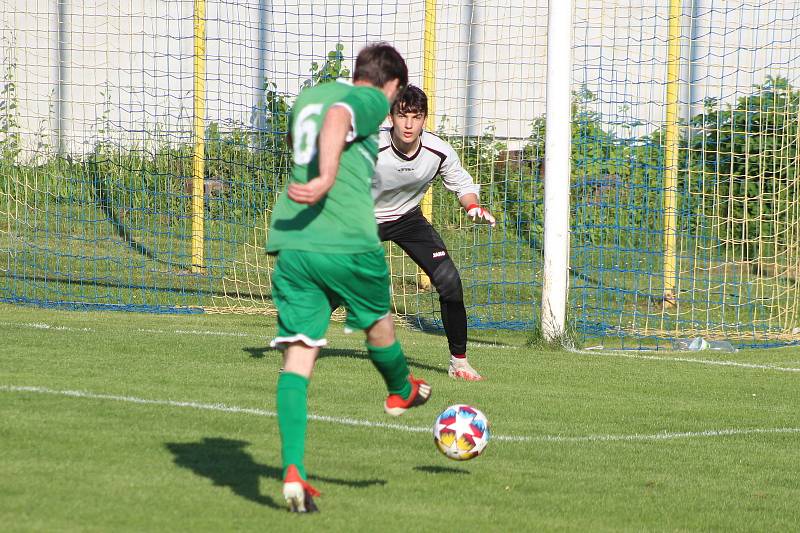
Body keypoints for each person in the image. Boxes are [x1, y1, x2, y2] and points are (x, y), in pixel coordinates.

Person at [266, 44, 431, 513]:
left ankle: (294, 471)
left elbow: (327, 116)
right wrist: (325, 178)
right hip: (347, 240)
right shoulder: (369, 98)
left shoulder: (308, 98)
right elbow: (341, 116)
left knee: (298, 359)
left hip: (295, 242)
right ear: (391, 85)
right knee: (381, 327)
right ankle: (400, 390)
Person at [373, 85, 495, 382]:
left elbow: (463, 185)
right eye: (402, 116)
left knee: (449, 281)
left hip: (407, 219)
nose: (409, 124)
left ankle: (459, 363)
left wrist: (473, 207)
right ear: (390, 117)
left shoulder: (438, 151)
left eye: (416, 116)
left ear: (424, 119)